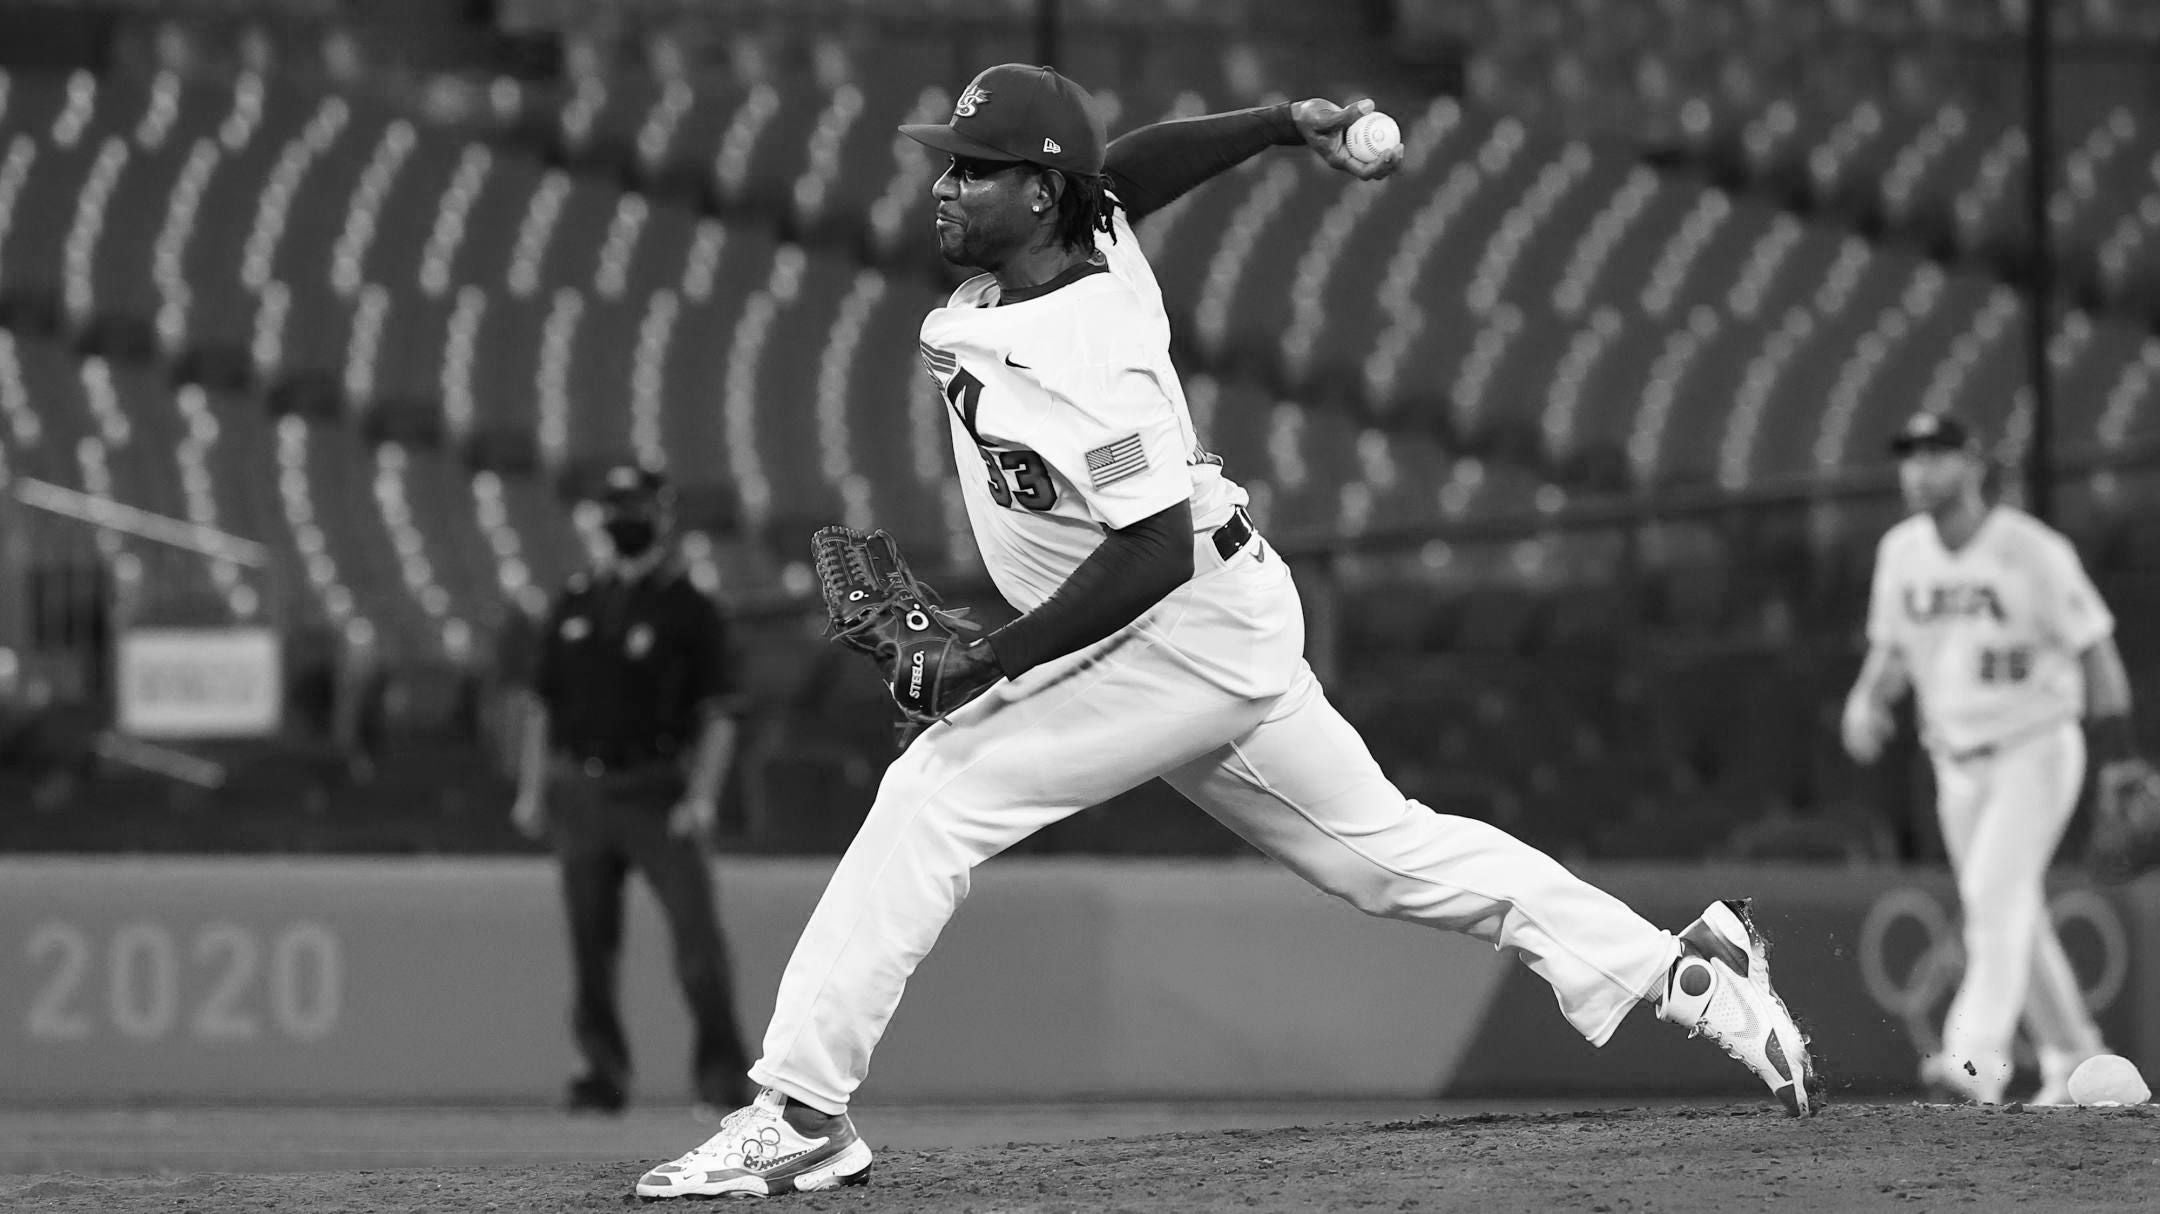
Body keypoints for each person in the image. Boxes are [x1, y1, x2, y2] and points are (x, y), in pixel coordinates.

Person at [636, 65, 1818, 1200]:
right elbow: (1125, 173)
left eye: (974, 170)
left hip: (1175, 628)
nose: (944, 186)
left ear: (1036, 194)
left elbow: (1154, 546)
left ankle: (798, 1115)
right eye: (948, 166)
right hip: (1218, 622)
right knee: (1385, 855)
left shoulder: (1089, 354)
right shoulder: (1079, 237)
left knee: (933, 794)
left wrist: (985, 660)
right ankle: (1684, 970)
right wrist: (1270, 123)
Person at [1841, 411, 2132, 1105]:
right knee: (2014, 914)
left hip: (2034, 748)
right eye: (1909, 455)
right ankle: (2076, 1057)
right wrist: (1865, 699)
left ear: (1975, 463)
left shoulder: (2032, 551)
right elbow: (1891, 651)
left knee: (1990, 898)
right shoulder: (1901, 552)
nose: (1918, 468)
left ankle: (1974, 1062)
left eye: (1936, 453)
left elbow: (2097, 650)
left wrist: (2121, 759)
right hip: (1954, 762)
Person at [516, 464, 753, 1115]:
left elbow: (720, 714)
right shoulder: (574, 600)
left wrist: (702, 796)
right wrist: (533, 789)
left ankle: (724, 1078)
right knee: (590, 946)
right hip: (584, 793)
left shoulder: (690, 607)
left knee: (698, 944)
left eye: (635, 505)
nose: (624, 516)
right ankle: (601, 1074)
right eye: (614, 504)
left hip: (658, 792)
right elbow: (541, 705)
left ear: (661, 514)